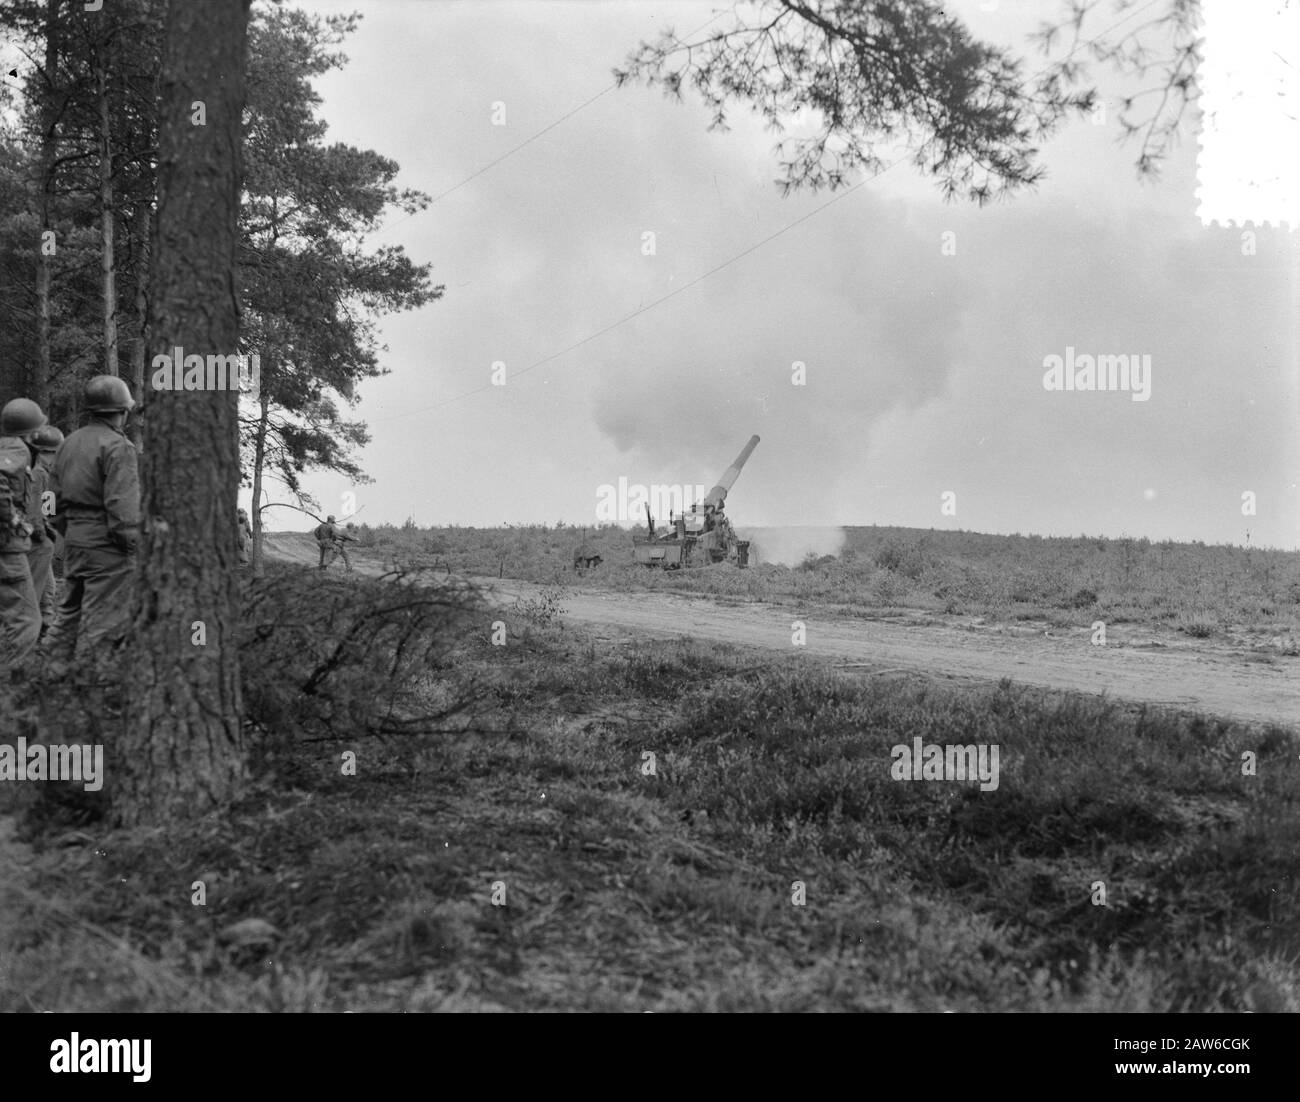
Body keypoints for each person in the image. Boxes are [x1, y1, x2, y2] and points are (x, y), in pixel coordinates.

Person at [43, 375, 140, 661]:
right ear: (122, 412)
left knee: (67, 616)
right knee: (104, 623)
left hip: (74, 539)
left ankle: (46, 675)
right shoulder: (119, 447)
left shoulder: (67, 443)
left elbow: (53, 501)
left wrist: (72, 530)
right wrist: (133, 547)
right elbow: (123, 511)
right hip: (108, 547)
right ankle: (92, 689)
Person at [0, 397, 48, 664]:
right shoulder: (18, 450)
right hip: (8, 549)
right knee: (27, 621)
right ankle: (11, 684)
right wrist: (13, 519)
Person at [28, 424, 64, 635]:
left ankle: (44, 630)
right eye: (50, 453)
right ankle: (29, 634)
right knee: (35, 590)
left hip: (44, 540)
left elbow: (47, 509)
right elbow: (35, 513)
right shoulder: (39, 474)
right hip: (37, 542)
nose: (54, 458)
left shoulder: (46, 475)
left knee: (48, 591)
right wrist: (44, 533)